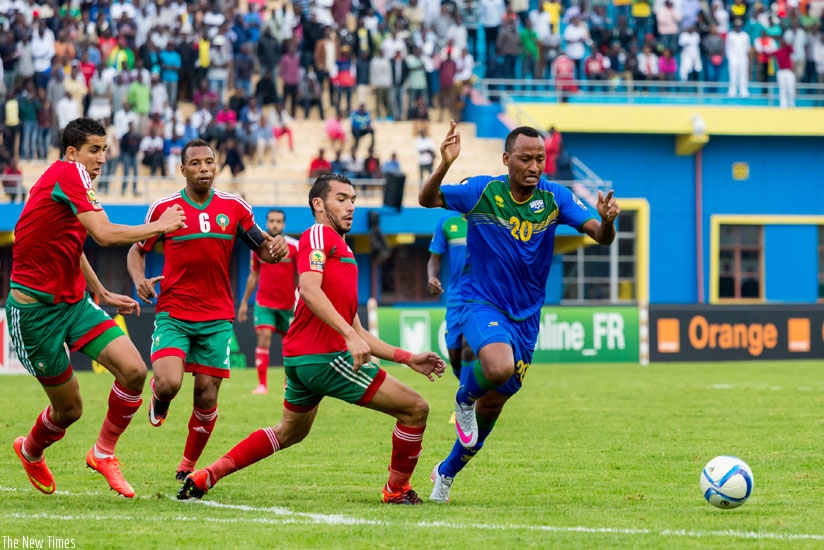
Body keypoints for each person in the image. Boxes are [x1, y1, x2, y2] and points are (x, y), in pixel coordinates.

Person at [178, 173, 447, 504]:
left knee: (289, 431)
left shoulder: (343, 249)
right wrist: (347, 336)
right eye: (341, 199)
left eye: (353, 200)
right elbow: (309, 288)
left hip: (304, 360)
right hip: (325, 358)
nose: (350, 206)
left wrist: (408, 358)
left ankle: (208, 474)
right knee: (415, 409)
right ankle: (397, 490)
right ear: (318, 204)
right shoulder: (319, 234)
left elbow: (359, 330)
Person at [419, 122, 620, 503]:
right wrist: (444, 165)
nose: (534, 165)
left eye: (540, 158)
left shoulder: (556, 197)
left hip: (527, 318)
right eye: (526, 158)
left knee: (493, 406)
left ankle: (445, 474)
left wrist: (608, 221)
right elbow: (426, 199)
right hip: (482, 302)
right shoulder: (483, 191)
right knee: (497, 367)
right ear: (507, 159)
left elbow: (599, 234)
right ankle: (463, 398)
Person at [8, 117, 186, 498]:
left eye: (105, 149)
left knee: (135, 371)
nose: (102, 157)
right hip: (34, 315)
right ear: (73, 152)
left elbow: (72, 245)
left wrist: (101, 292)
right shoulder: (68, 172)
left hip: (74, 305)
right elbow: (104, 235)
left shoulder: (75, 183)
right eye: (94, 149)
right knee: (70, 410)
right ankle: (30, 449)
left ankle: (103, 453)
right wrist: (160, 226)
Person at [126, 139, 289, 483]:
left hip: (217, 316)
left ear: (217, 167)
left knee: (206, 393)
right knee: (169, 382)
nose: (204, 168)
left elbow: (264, 249)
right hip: (174, 311)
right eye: (196, 163)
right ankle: (160, 397)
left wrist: (276, 250)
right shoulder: (165, 209)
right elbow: (137, 249)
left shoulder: (235, 208)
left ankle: (187, 465)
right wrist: (139, 279)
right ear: (182, 169)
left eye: (210, 162)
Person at [237, 209, 299, 394]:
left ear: (284, 224)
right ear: (267, 222)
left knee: (290, 344)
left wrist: (300, 300)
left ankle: (289, 383)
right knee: (263, 338)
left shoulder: (294, 247)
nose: (275, 224)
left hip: (288, 305)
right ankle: (262, 385)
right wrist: (243, 302)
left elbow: (300, 276)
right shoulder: (258, 248)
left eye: (279, 221)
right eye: (272, 221)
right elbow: (253, 275)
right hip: (264, 303)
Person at [427, 212, 476, 390]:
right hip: (456, 298)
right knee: (455, 356)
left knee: (469, 347)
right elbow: (434, 258)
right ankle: (471, 390)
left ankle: (465, 403)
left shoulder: (488, 220)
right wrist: (432, 277)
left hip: (481, 297)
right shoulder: (447, 222)